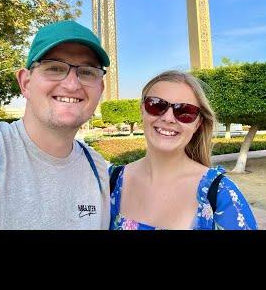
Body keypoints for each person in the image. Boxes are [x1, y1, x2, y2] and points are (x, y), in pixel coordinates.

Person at [0, 20, 111, 230]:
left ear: (100, 88)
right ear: (25, 83)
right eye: (55, 68)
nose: (71, 84)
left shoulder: (97, 168)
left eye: (87, 72)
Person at [109, 70, 257, 230]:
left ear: (198, 124)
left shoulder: (222, 194)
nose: (168, 118)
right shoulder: (110, 181)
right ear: (142, 110)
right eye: (156, 105)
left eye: (185, 111)